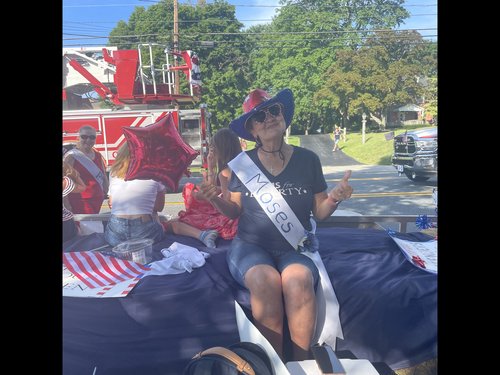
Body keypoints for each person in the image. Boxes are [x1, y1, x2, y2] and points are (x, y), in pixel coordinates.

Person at [199, 88, 353, 361]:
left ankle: (300, 362)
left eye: (274, 110)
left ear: (284, 117)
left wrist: (335, 198)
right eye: (259, 116)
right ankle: (274, 364)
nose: (268, 117)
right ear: (252, 131)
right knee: (264, 280)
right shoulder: (242, 165)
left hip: (295, 246)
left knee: (298, 279)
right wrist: (215, 201)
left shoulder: (308, 160)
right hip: (251, 246)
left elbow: (320, 212)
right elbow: (234, 212)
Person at [165, 128, 242, 247]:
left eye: (213, 148)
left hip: (230, 222)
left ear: (220, 150)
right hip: (240, 218)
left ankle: (203, 234)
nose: (211, 152)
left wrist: (211, 170)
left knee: (179, 221)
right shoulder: (242, 165)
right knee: (180, 219)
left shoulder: (225, 173)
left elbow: (229, 208)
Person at [64, 125, 109, 214]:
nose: (88, 140)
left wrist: (109, 194)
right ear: (78, 138)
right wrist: (66, 205)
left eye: (92, 137)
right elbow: (65, 182)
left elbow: (103, 176)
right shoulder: (71, 157)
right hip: (80, 201)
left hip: (97, 199)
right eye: (84, 137)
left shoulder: (98, 155)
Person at [63, 160, 86, 243]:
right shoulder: (65, 182)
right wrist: (74, 174)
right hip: (65, 223)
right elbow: (82, 187)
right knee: (70, 249)